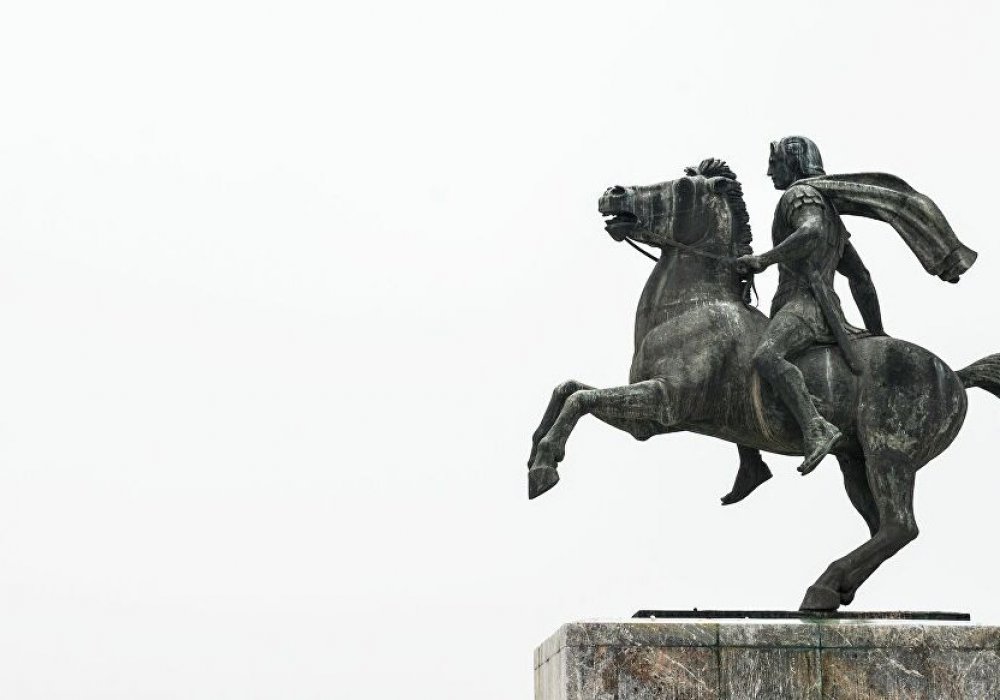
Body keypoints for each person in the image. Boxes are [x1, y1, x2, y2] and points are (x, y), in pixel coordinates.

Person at [732, 136, 884, 480]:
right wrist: (877, 330)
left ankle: (816, 427)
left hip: (804, 305)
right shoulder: (834, 220)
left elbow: (811, 230)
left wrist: (764, 260)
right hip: (815, 306)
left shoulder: (800, 196)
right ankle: (751, 463)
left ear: (793, 162)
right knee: (744, 365)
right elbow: (860, 277)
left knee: (764, 357)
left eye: (774, 163)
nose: (769, 171)